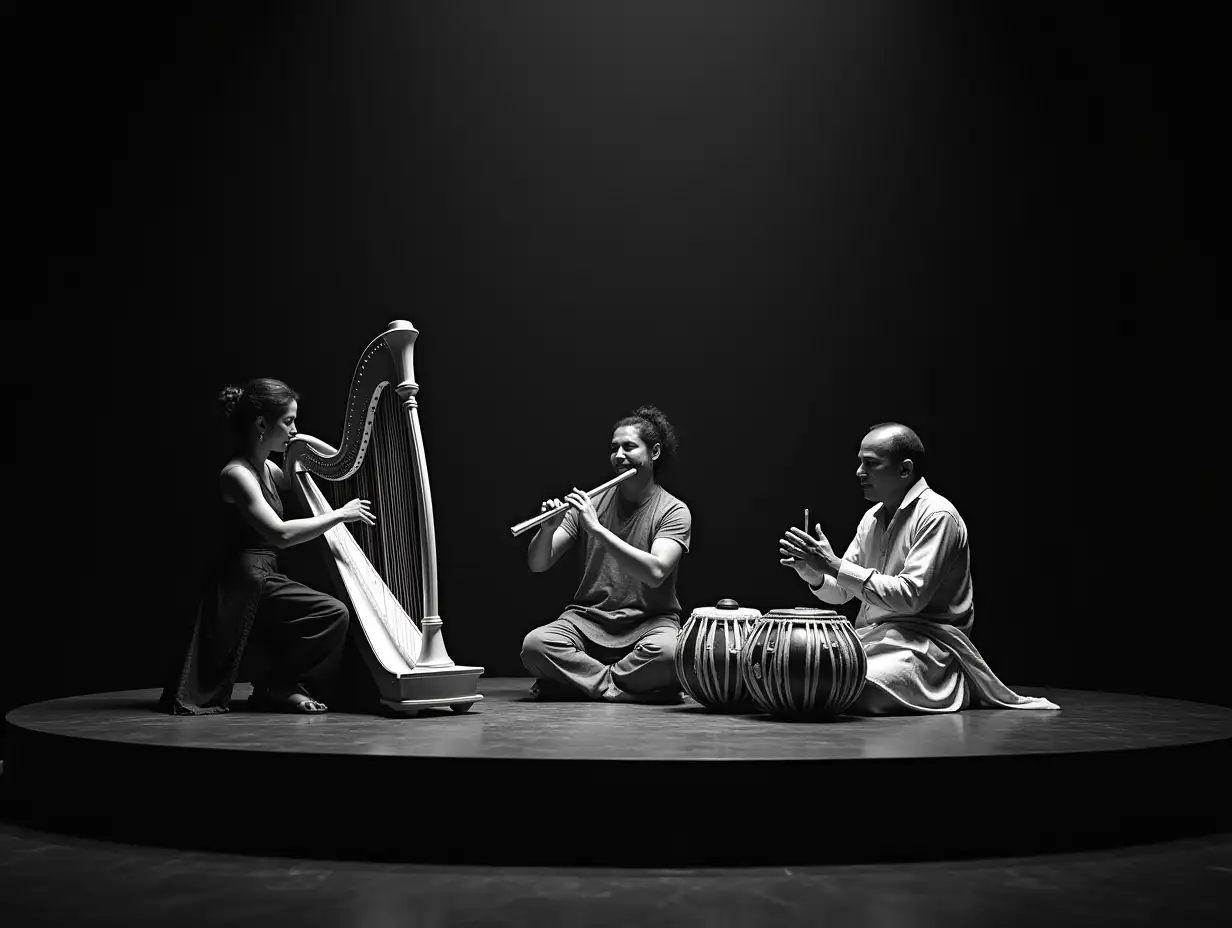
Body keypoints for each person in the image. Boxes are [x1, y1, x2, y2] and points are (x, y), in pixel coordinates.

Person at [778, 422, 1058, 715]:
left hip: (924, 648)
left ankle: (946, 685)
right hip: (874, 641)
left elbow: (910, 597)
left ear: (905, 469)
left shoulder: (938, 516)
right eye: (860, 462)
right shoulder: (872, 518)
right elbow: (844, 593)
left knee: (849, 687)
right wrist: (812, 571)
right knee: (803, 672)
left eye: (870, 463)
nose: (859, 472)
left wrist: (833, 565)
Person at [159, 378, 375, 715]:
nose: (294, 429)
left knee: (329, 616)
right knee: (332, 613)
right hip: (242, 581)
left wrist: (314, 445)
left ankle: (279, 685)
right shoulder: (237, 475)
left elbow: (314, 463)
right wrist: (339, 515)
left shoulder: (269, 468)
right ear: (262, 424)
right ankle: (278, 685)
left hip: (265, 574)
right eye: (288, 421)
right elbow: (281, 534)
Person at [520, 406, 691, 703]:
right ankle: (617, 687)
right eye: (614, 449)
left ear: (655, 452)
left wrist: (597, 530)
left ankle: (576, 682)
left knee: (670, 655)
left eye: (629, 447)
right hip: (588, 620)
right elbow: (538, 564)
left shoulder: (673, 510)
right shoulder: (592, 503)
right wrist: (546, 530)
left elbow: (655, 572)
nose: (619, 456)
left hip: (650, 622)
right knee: (535, 646)